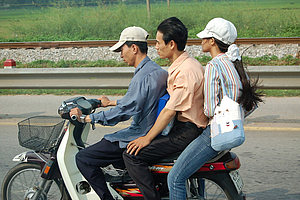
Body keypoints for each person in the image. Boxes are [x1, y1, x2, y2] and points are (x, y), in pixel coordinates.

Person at [167, 17, 263, 199]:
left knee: (175, 177)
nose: (201, 41)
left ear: (212, 41)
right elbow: (249, 104)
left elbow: (210, 110)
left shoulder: (213, 66)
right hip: (232, 131)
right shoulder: (234, 62)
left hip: (214, 134)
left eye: (205, 37)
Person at [69, 26, 168, 200]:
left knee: (84, 158)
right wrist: (110, 102)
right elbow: (139, 101)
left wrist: (88, 118)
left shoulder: (142, 77)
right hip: (152, 129)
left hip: (139, 133)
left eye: (122, 49)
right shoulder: (156, 70)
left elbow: (127, 110)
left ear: (134, 48)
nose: (121, 54)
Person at [123, 17, 208, 200]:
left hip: (187, 131)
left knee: (132, 155)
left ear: (171, 44)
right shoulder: (186, 64)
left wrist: (147, 138)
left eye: (158, 42)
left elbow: (169, 110)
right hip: (186, 128)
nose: (155, 46)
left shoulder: (185, 71)